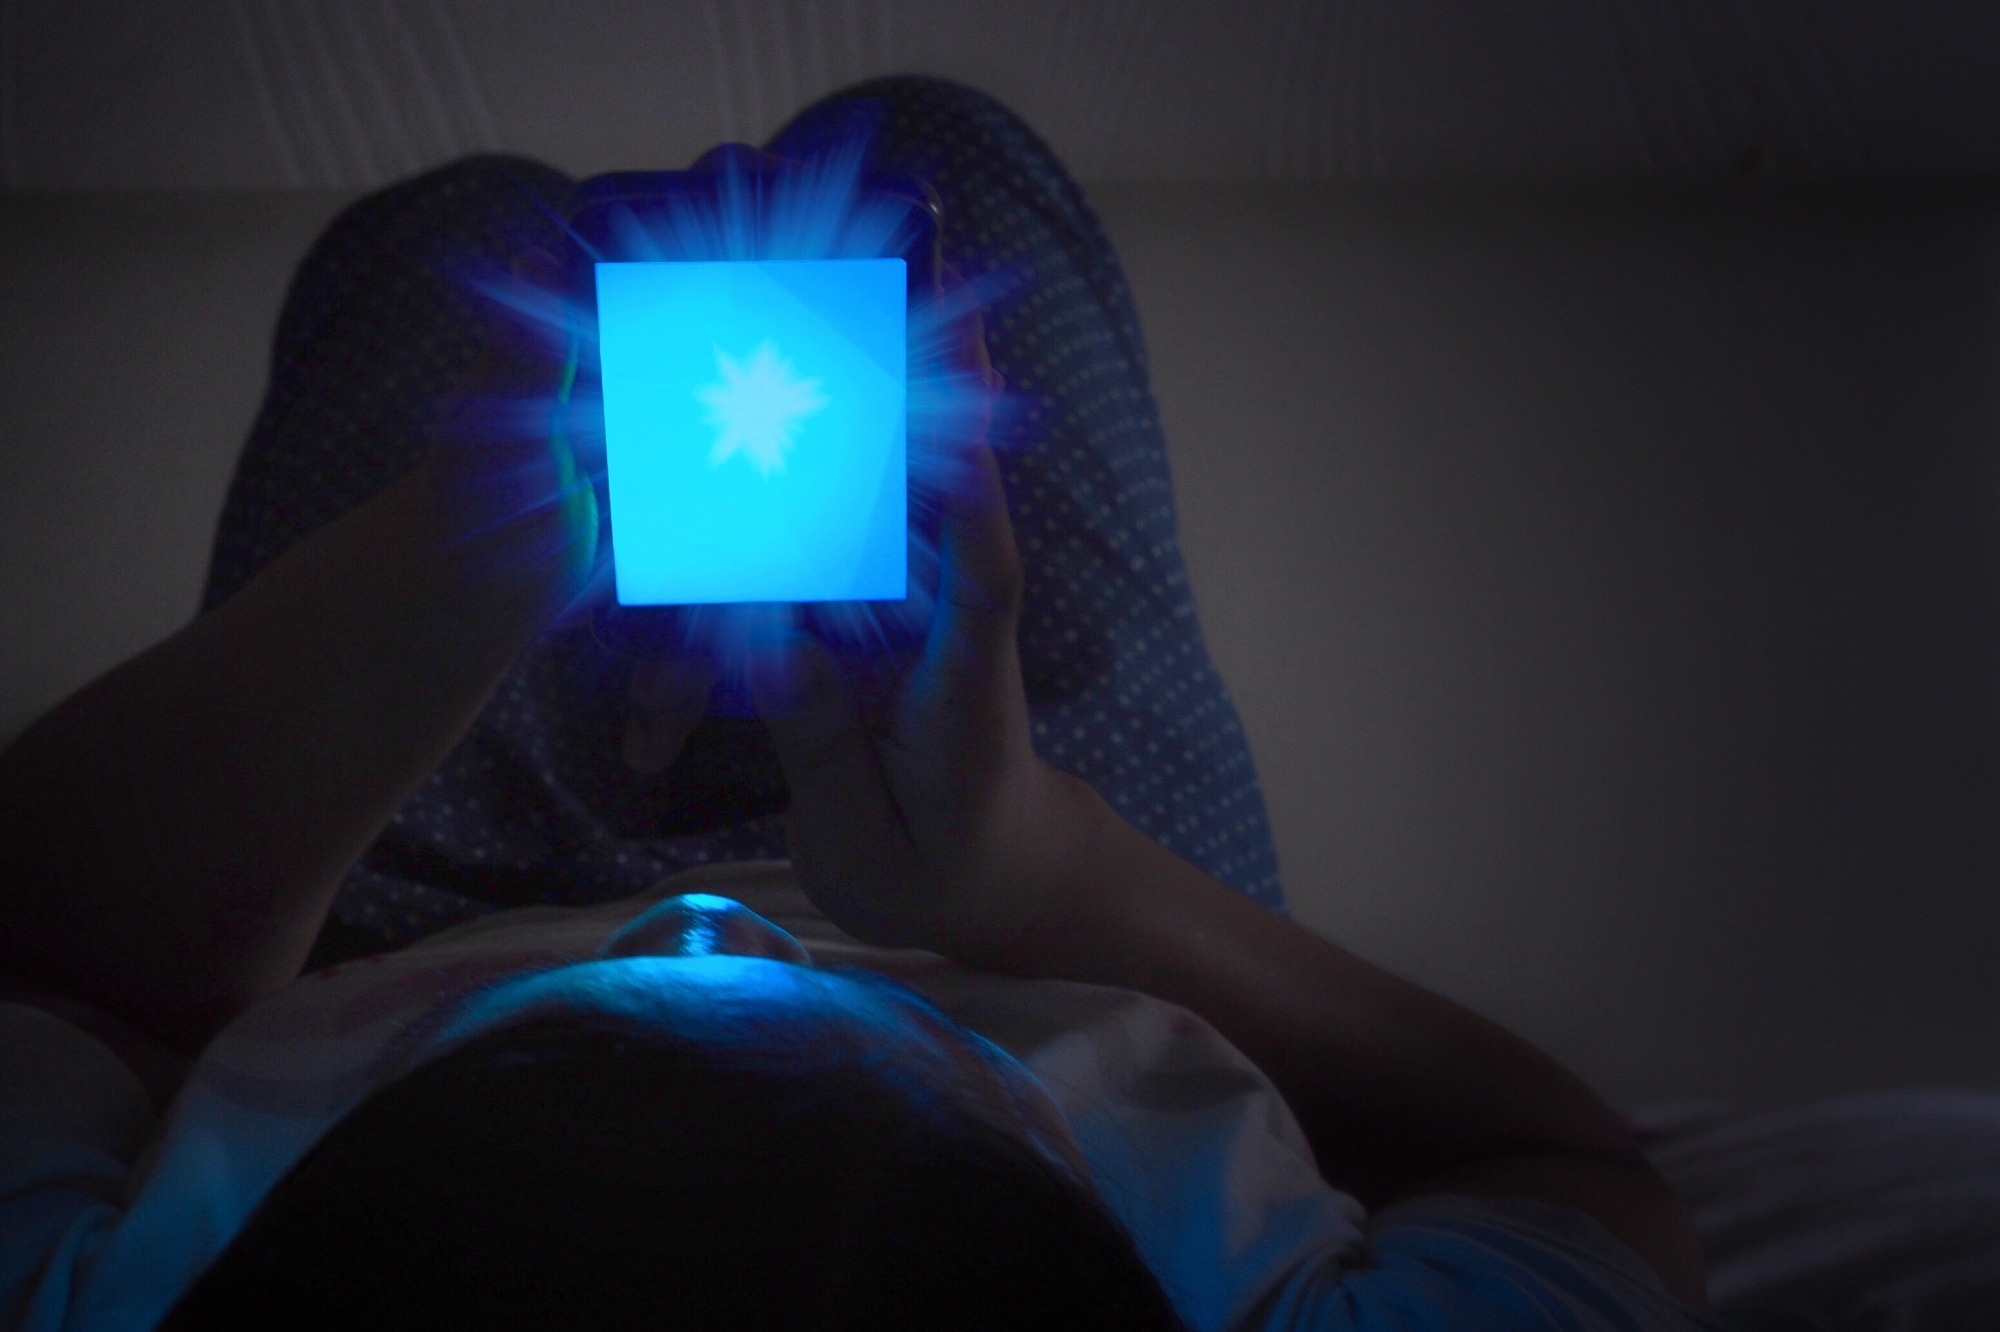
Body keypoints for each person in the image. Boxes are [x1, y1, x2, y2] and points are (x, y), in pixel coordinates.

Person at [0, 78, 1754, 1330]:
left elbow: (48, 975)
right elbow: (1565, 1166)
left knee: (462, 243)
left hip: (390, 934)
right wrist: (1035, 867)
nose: (715, 936)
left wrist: (435, 573)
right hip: (1038, 957)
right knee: (926, 167)